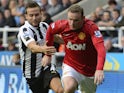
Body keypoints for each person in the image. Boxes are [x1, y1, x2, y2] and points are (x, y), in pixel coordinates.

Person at [45, 4, 106, 93]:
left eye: (76, 20)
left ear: (83, 18)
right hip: (71, 65)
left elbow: (101, 48)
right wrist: (48, 54)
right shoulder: (62, 25)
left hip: (90, 70)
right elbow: (49, 30)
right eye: (70, 19)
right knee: (69, 88)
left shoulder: (91, 27)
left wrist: (99, 69)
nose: (72, 23)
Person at [17, 1, 64, 93]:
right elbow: (33, 47)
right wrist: (44, 49)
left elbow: (57, 38)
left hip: (46, 67)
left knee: (60, 90)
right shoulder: (24, 30)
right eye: (31, 15)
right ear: (26, 16)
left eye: (37, 15)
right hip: (32, 74)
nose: (34, 18)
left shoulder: (45, 26)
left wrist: (74, 40)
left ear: (41, 14)